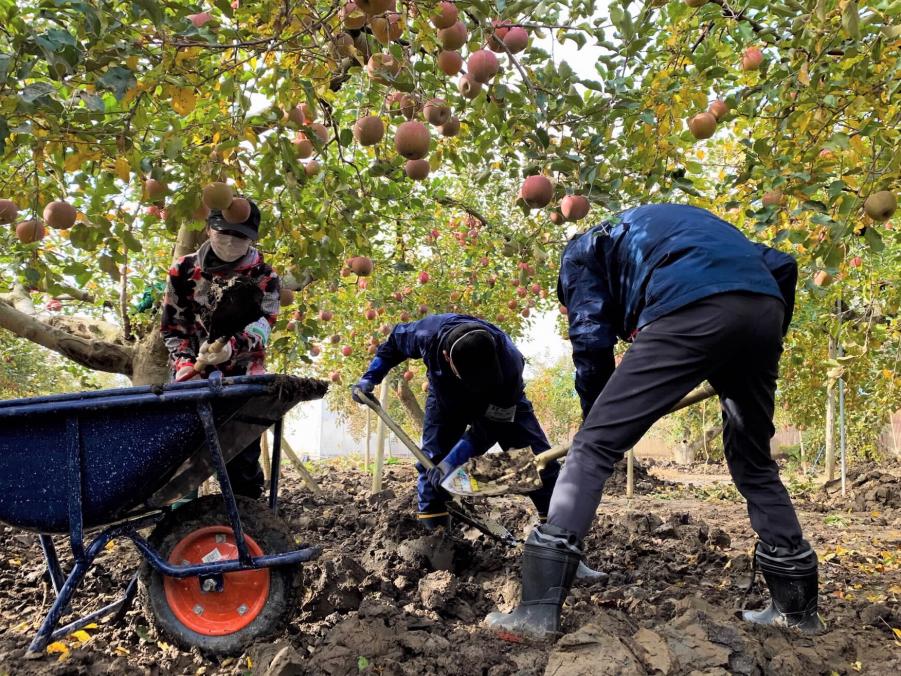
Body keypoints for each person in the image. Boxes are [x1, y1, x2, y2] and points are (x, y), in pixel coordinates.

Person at [486, 203, 822, 639]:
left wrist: (597, 420)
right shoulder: (680, 226)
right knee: (753, 460)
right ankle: (796, 612)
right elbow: (781, 263)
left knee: (592, 448)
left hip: (688, 306)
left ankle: (535, 614)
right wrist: (758, 339)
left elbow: (591, 338)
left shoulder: (582, 251)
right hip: (764, 310)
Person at [353, 314, 604, 581]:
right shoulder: (426, 334)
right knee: (432, 469)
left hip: (503, 405)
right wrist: (371, 377)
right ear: (448, 357)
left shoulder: (510, 361)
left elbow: (490, 427)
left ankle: (563, 558)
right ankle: (437, 553)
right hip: (446, 402)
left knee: (541, 469)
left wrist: (456, 460)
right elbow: (393, 343)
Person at [161, 199, 280, 499]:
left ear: (252, 239)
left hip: (242, 379)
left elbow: (264, 324)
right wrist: (185, 362)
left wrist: (232, 348)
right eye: (223, 232)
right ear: (209, 229)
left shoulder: (264, 277)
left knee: (241, 459)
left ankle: (249, 527)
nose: (229, 241)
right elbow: (174, 327)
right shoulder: (184, 271)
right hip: (192, 381)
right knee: (183, 465)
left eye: (239, 236)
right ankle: (182, 531)